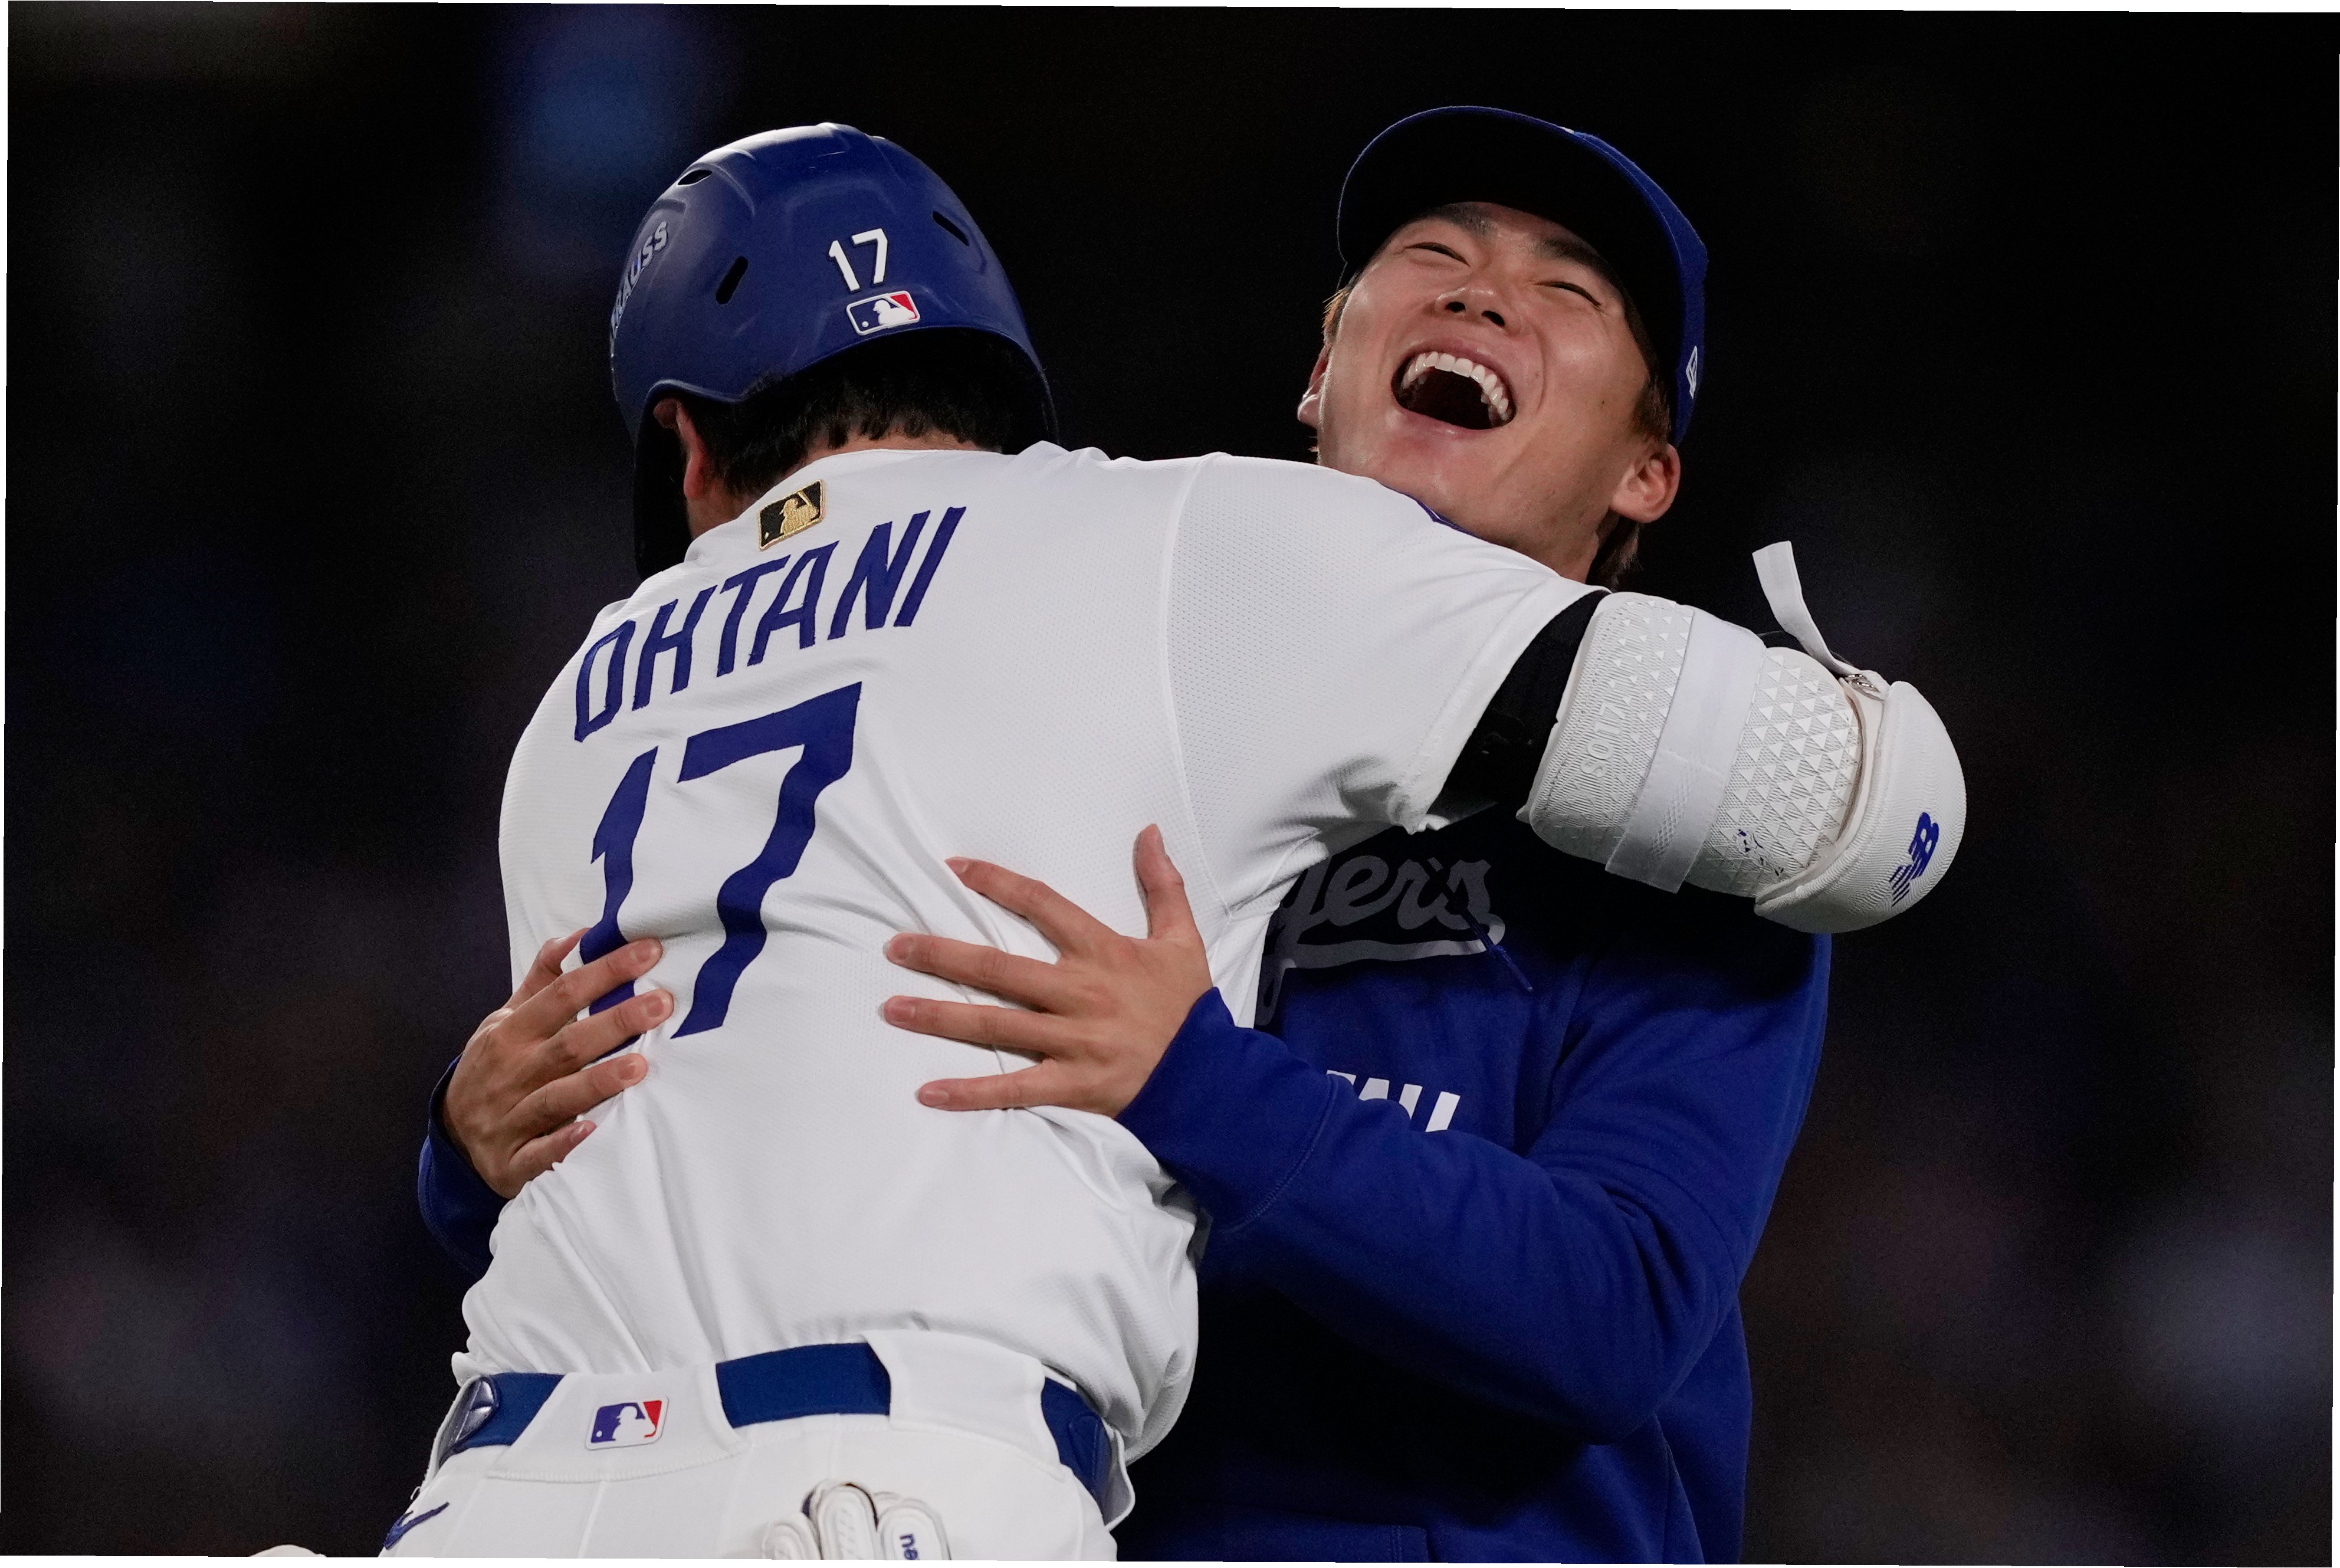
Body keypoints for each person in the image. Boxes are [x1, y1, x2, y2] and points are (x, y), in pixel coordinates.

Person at [409, 114, 1962, 1559]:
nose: (1482, 295)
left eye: (1567, 292)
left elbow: (1611, 1319)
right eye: (1431, 256)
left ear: (1646, 472)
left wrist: (1204, 1089)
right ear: (1319, 372)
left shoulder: (1689, 865)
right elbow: (769, 1142)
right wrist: (472, 1153)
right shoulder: (1090, 689)